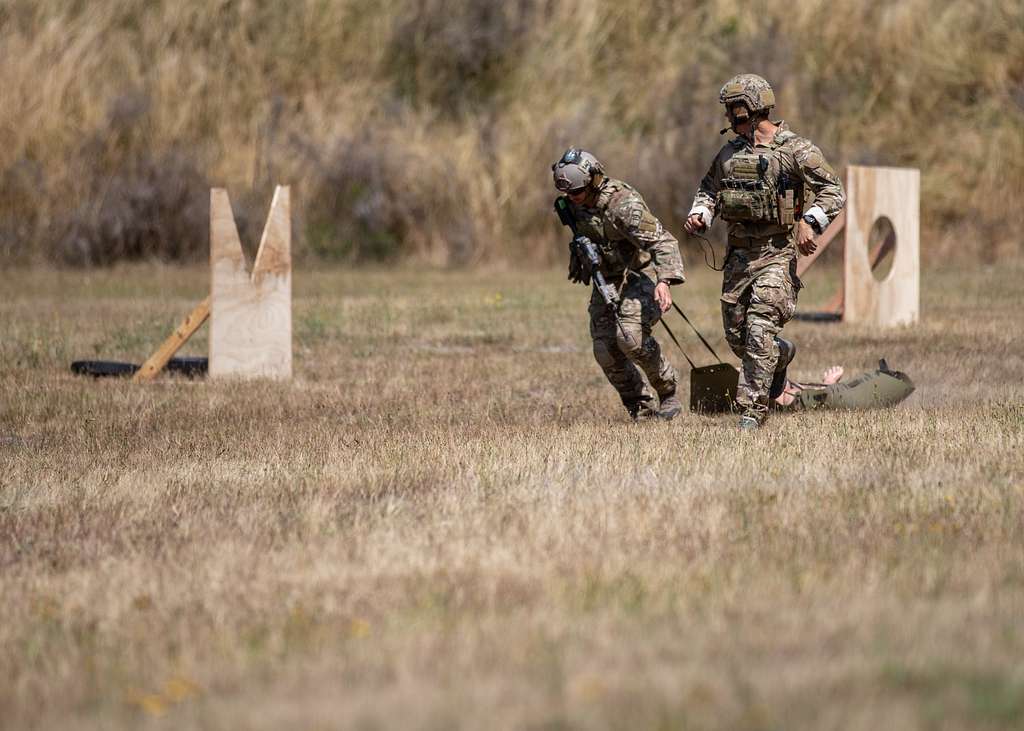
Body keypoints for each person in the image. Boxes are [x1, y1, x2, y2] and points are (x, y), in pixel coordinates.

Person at [683, 73, 846, 430]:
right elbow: (709, 190)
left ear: (753, 109)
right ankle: (782, 354)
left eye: (734, 111)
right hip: (738, 258)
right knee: (739, 338)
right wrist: (700, 215)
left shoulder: (795, 150)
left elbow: (833, 192)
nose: (729, 118)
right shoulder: (728, 154)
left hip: (776, 253)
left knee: (759, 330)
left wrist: (810, 222)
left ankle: (752, 413)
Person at [552, 148, 686, 421]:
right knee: (604, 348)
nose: (571, 199)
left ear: (593, 182)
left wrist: (665, 281)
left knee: (630, 338)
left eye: (576, 193)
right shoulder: (572, 206)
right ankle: (639, 407)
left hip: (640, 274)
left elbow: (663, 241)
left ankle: (668, 391)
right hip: (607, 279)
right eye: (568, 194)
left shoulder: (623, 205)